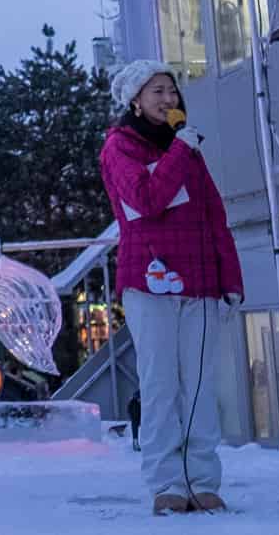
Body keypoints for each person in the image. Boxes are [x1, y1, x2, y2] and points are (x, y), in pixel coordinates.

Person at [102, 60, 243, 514]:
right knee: (162, 385)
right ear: (135, 100)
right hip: (150, 280)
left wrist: (230, 278)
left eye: (172, 91)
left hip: (200, 282)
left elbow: (213, 217)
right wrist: (180, 150)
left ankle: (202, 480)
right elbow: (146, 199)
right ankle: (166, 483)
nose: (168, 99)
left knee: (201, 385)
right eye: (157, 91)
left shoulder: (188, 152)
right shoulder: (119, 148)